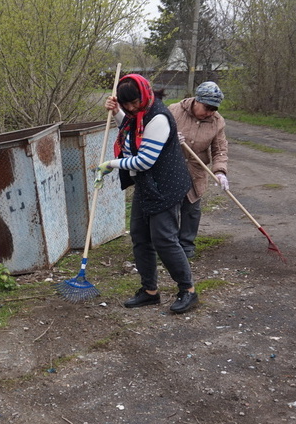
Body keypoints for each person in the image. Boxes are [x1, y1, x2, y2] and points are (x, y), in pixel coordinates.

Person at [98, 74, 198, 314]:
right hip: (147, 185)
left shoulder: (158, 118)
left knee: (164, 239)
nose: (131, 108)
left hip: (165, 186)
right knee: (140, 238)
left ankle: (188, 291)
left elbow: (144, 160)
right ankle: (150, 291)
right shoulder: (137, 116)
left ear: (144, 95)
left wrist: (110, 164)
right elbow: (130, 129)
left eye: (134, 103)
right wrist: (117, 114)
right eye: (126, 105)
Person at [168, 81, 229, 258]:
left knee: (192, 209)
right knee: (168, 210)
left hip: (196, 171)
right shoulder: (173, 111)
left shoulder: (217, 122)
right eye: (207, 107)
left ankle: (186, 246)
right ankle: (168, 246)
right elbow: (153, 135)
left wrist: (220, 171)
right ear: (196, 100)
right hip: (171, 169)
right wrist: (170, 138)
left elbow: (220, 149)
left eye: (214, 108)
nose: (210, 112)